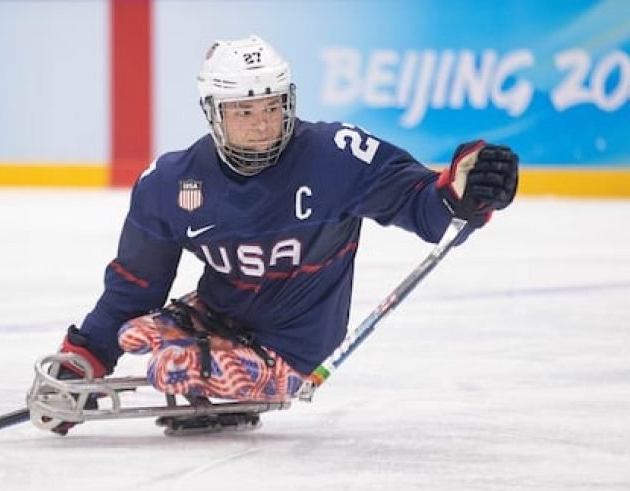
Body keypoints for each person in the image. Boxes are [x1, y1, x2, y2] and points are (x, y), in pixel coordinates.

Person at [42, 35, 518, 434]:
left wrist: (464, 193)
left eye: (273, 107)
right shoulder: (172, 184)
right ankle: (219, 373)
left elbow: (424, 207)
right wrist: (86, 357)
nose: (263, 125)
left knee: (173, 366)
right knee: (133, 335)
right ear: (213, 113)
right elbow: (135, 284)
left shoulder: (337, 156)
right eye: (244, 113)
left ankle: (254, 376)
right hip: (220, 315)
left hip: (294, 343)